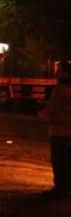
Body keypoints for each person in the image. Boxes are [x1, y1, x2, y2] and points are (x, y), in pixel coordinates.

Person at [38, 60, 71, 198]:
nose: (57, 74)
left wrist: (40, 112)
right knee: (68, 160)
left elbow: (50, 110)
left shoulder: (60, 90)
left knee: (58, 159)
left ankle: (60, 189)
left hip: (60, 131)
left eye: (59, 71)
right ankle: (67, 187)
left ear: (66, 73)